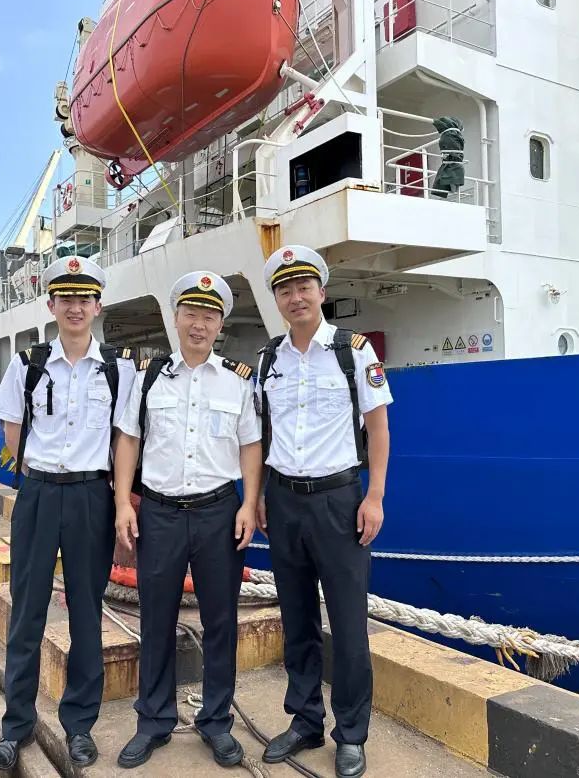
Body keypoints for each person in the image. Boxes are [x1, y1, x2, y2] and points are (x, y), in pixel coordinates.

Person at [0, 256, 136, 772]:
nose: (75, 307)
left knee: (86, 613)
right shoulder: (28, 363)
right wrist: (37, 476)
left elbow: (124, 439)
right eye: (66, 298)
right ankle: (16, 727)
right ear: (51, 305)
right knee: (26, 611)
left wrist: (119, 501)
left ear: (97, 306)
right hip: (40, 494)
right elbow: (12, 430)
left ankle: (79, 726)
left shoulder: (118, 368)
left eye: (84, 298)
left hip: (92, 496)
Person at [112, 271, 261, 770]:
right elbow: (128, 439)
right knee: (156, 619)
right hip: (160, 512)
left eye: (209, 316)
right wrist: (123, 503)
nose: (199, 324)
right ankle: (153, 721)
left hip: (219, 511)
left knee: (221, 621)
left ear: (220, 324)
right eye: (191, 314)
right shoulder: (149, 377)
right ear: (175, 319)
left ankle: (216, 722)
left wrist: (249, 503)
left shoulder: (237, 381)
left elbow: (251, 445)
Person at [255, 245, 392, 778]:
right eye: (285, 290)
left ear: (321, 292)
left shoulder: (352, 352)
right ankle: (305, 720)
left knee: (349, 624)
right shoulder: (268, 359)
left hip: (339, 500)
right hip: (283, 500)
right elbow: (262, 434)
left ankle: (351, 734)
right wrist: (260, 494)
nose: (296, 297)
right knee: (297, 618)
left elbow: (378, 429)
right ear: (277, 299)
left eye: (304, 287)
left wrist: (374, 497)